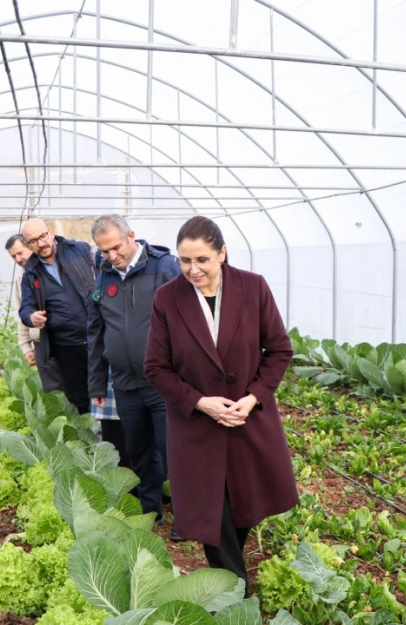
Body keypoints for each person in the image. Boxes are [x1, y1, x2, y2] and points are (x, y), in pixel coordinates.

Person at [143, 216, 298, 594]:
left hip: (247, 418)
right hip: (197, 424)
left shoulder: (253, 287)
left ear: (222, 253)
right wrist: (200, 402)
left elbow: (279, 349)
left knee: (244, 501)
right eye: (184, 261)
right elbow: (156, 368)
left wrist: (254, 396)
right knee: (210, 511)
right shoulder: (168, 298)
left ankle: (230, 579)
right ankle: (235, 590)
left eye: (202, 260)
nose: (193, 270)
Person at [87, 214, 181, 530]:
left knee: (174, 453)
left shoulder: (165, 268)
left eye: (115, 247)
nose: (112, 256)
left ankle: (186, 518)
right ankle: (151, 511)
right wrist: (97, 383)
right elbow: (96, 332)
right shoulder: (104, 276)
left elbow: (187, 324)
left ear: (131, 235)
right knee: (139, 453)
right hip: (125, 384)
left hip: (164, 383)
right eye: (104, 251)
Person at [19, 218, 96, 413]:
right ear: (28, 245)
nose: (41, 243)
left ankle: (113, 436)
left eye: (43, 236)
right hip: (65, 346)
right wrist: (31, 317)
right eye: (33, 241)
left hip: (96, 337)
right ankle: (90, 438)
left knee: (105, 389)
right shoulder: (30, 273)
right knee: (79, 397)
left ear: (51, 232)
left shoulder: (79, 251)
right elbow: (25, 308)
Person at [4, 234, 39, 367]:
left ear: (29, 246)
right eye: (13, 256)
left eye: (20, 253)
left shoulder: (48, 269)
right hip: (39, 344)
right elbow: (22, 313)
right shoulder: (21, 277)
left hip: (63, 341)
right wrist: (26, 347)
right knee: (52, 387)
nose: (18, 259)